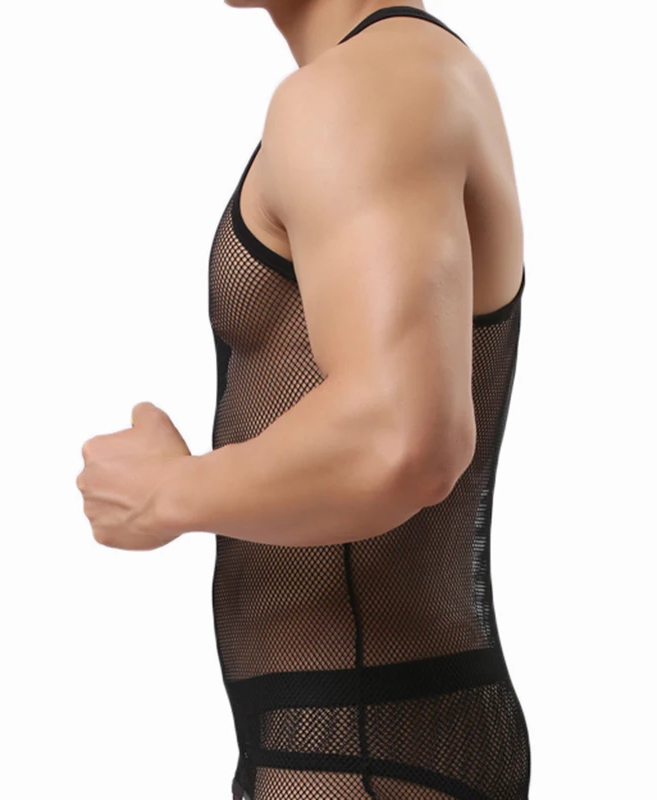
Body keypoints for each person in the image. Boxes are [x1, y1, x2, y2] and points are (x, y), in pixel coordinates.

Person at [76, 2, 530, 798]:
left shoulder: (364, 88)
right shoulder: (395, 74)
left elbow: (401, 439)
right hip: (356, 736)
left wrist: (164, 493)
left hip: (360, 746)